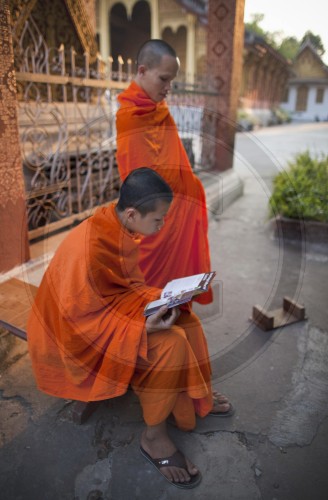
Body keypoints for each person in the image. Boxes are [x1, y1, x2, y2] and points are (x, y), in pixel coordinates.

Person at [27, 168, 233, 489]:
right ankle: (154, 437)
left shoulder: (116, 225)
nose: (162, 225)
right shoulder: (88, 248)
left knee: (186, 321)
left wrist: (163, 298)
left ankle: (192, 394)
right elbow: (78, 325)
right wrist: (141, 329)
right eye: (158, 220)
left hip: (105, 312)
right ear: (134, 213)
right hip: (69, 337)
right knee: (171, 343)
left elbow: (127, 287)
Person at [116, 39, 212, 304]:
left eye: (172, 82)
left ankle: (170, 306)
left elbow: (175, 157)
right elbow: (138, 177)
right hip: (154, 212)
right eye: (164, 79)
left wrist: (189, 187)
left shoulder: (159, 108)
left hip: (177, 207)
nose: (168, 88)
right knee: (146, 277)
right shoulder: (129, 116)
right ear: (143, 71)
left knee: (174, 287)